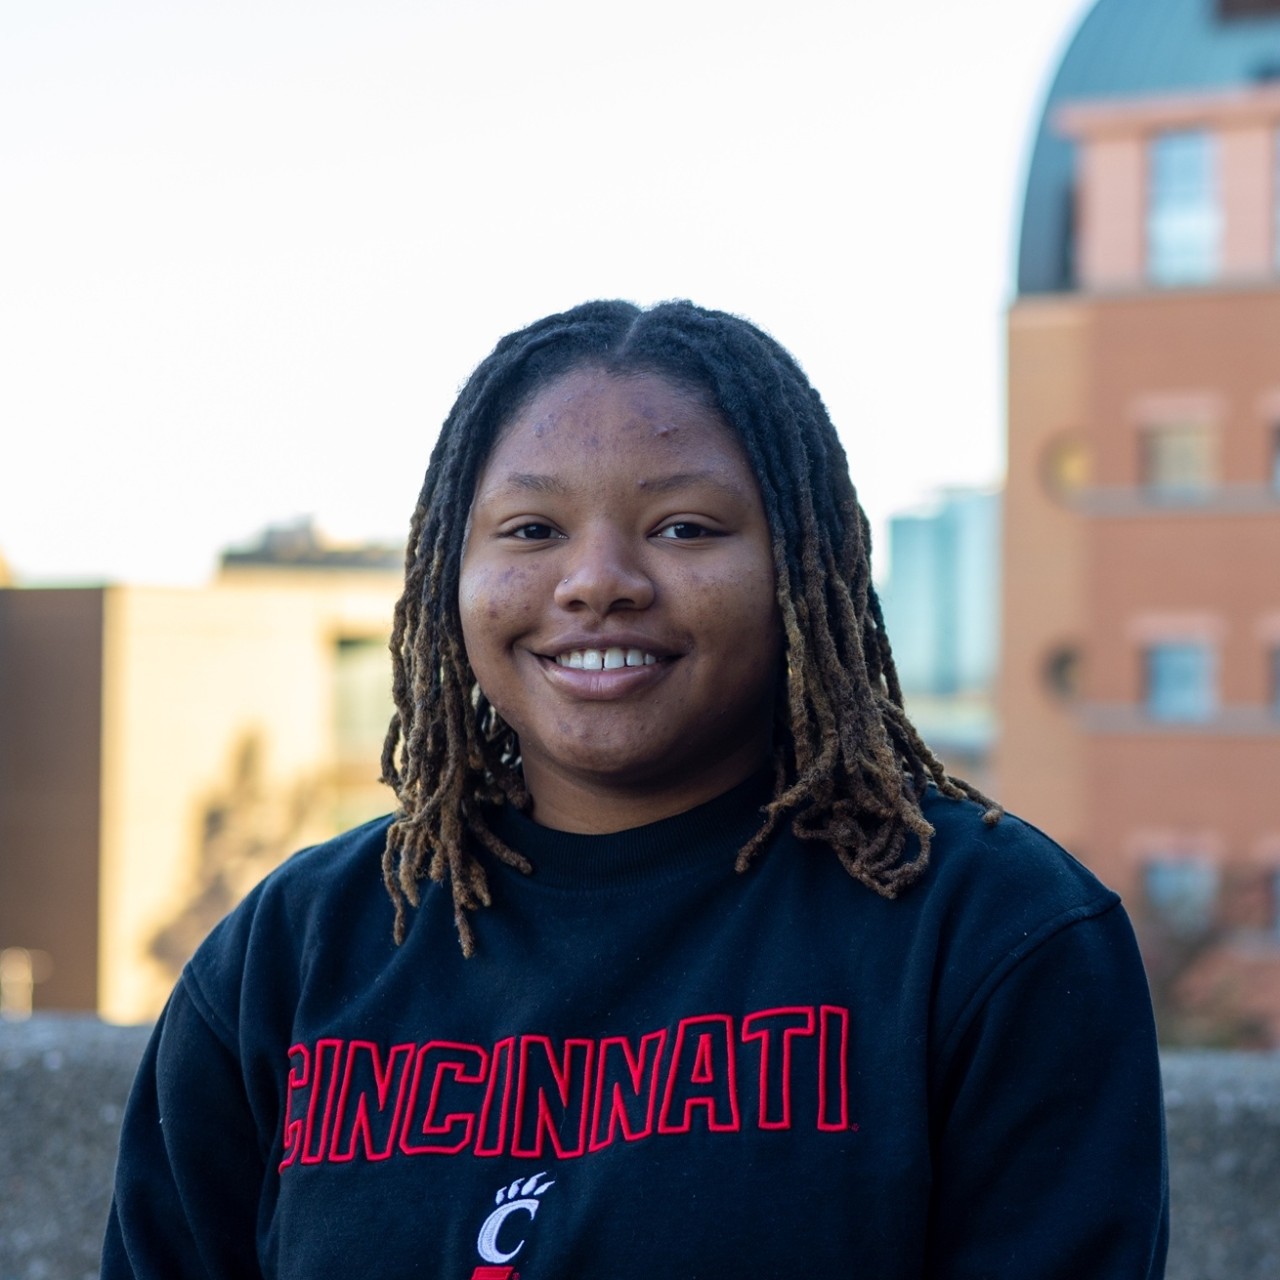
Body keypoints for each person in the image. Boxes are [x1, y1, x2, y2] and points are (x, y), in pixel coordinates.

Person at [102, 299, 1169, 1278]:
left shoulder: (993, 933)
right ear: (447, 573)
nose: (596, 578)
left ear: (804, 566)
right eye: (530, 530)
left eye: (683, 528)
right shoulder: (291, 949)